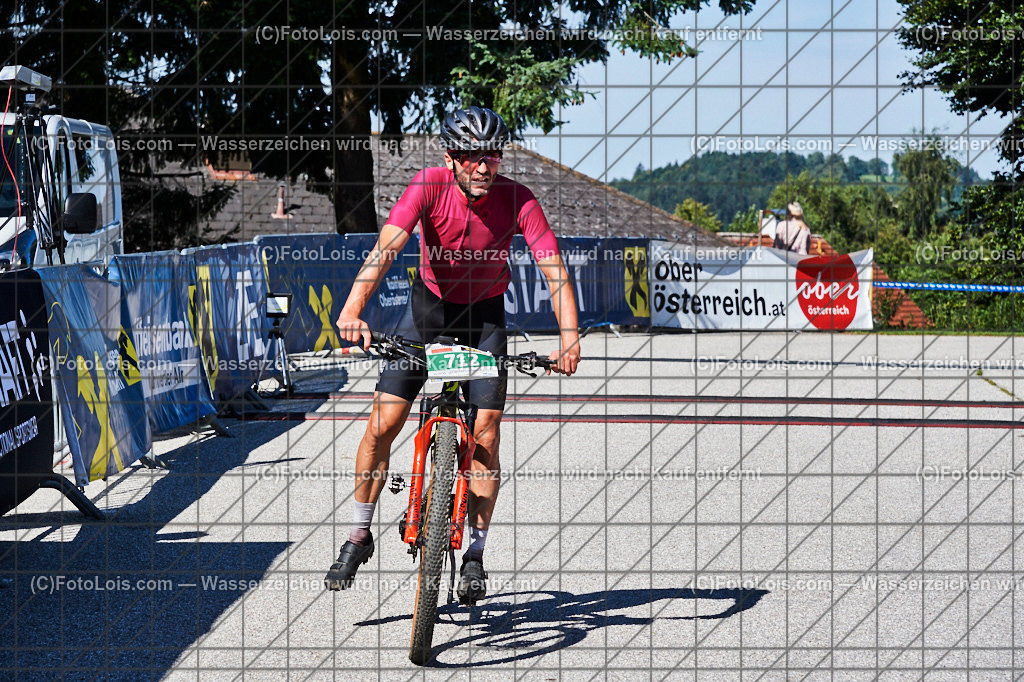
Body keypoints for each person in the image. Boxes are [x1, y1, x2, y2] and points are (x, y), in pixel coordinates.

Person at [324, 106, 581, 604]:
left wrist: (569, 339)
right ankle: (358, 533)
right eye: (470, 156)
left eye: (492, 156)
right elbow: (386, 250)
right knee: (382, 424)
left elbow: (554, 271)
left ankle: (475, 555)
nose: (483, 166)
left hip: (484, 320)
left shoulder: (519, 198)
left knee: (486, 434)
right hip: (428, 313)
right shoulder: (428, 185)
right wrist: (352, 310)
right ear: (450, 157)